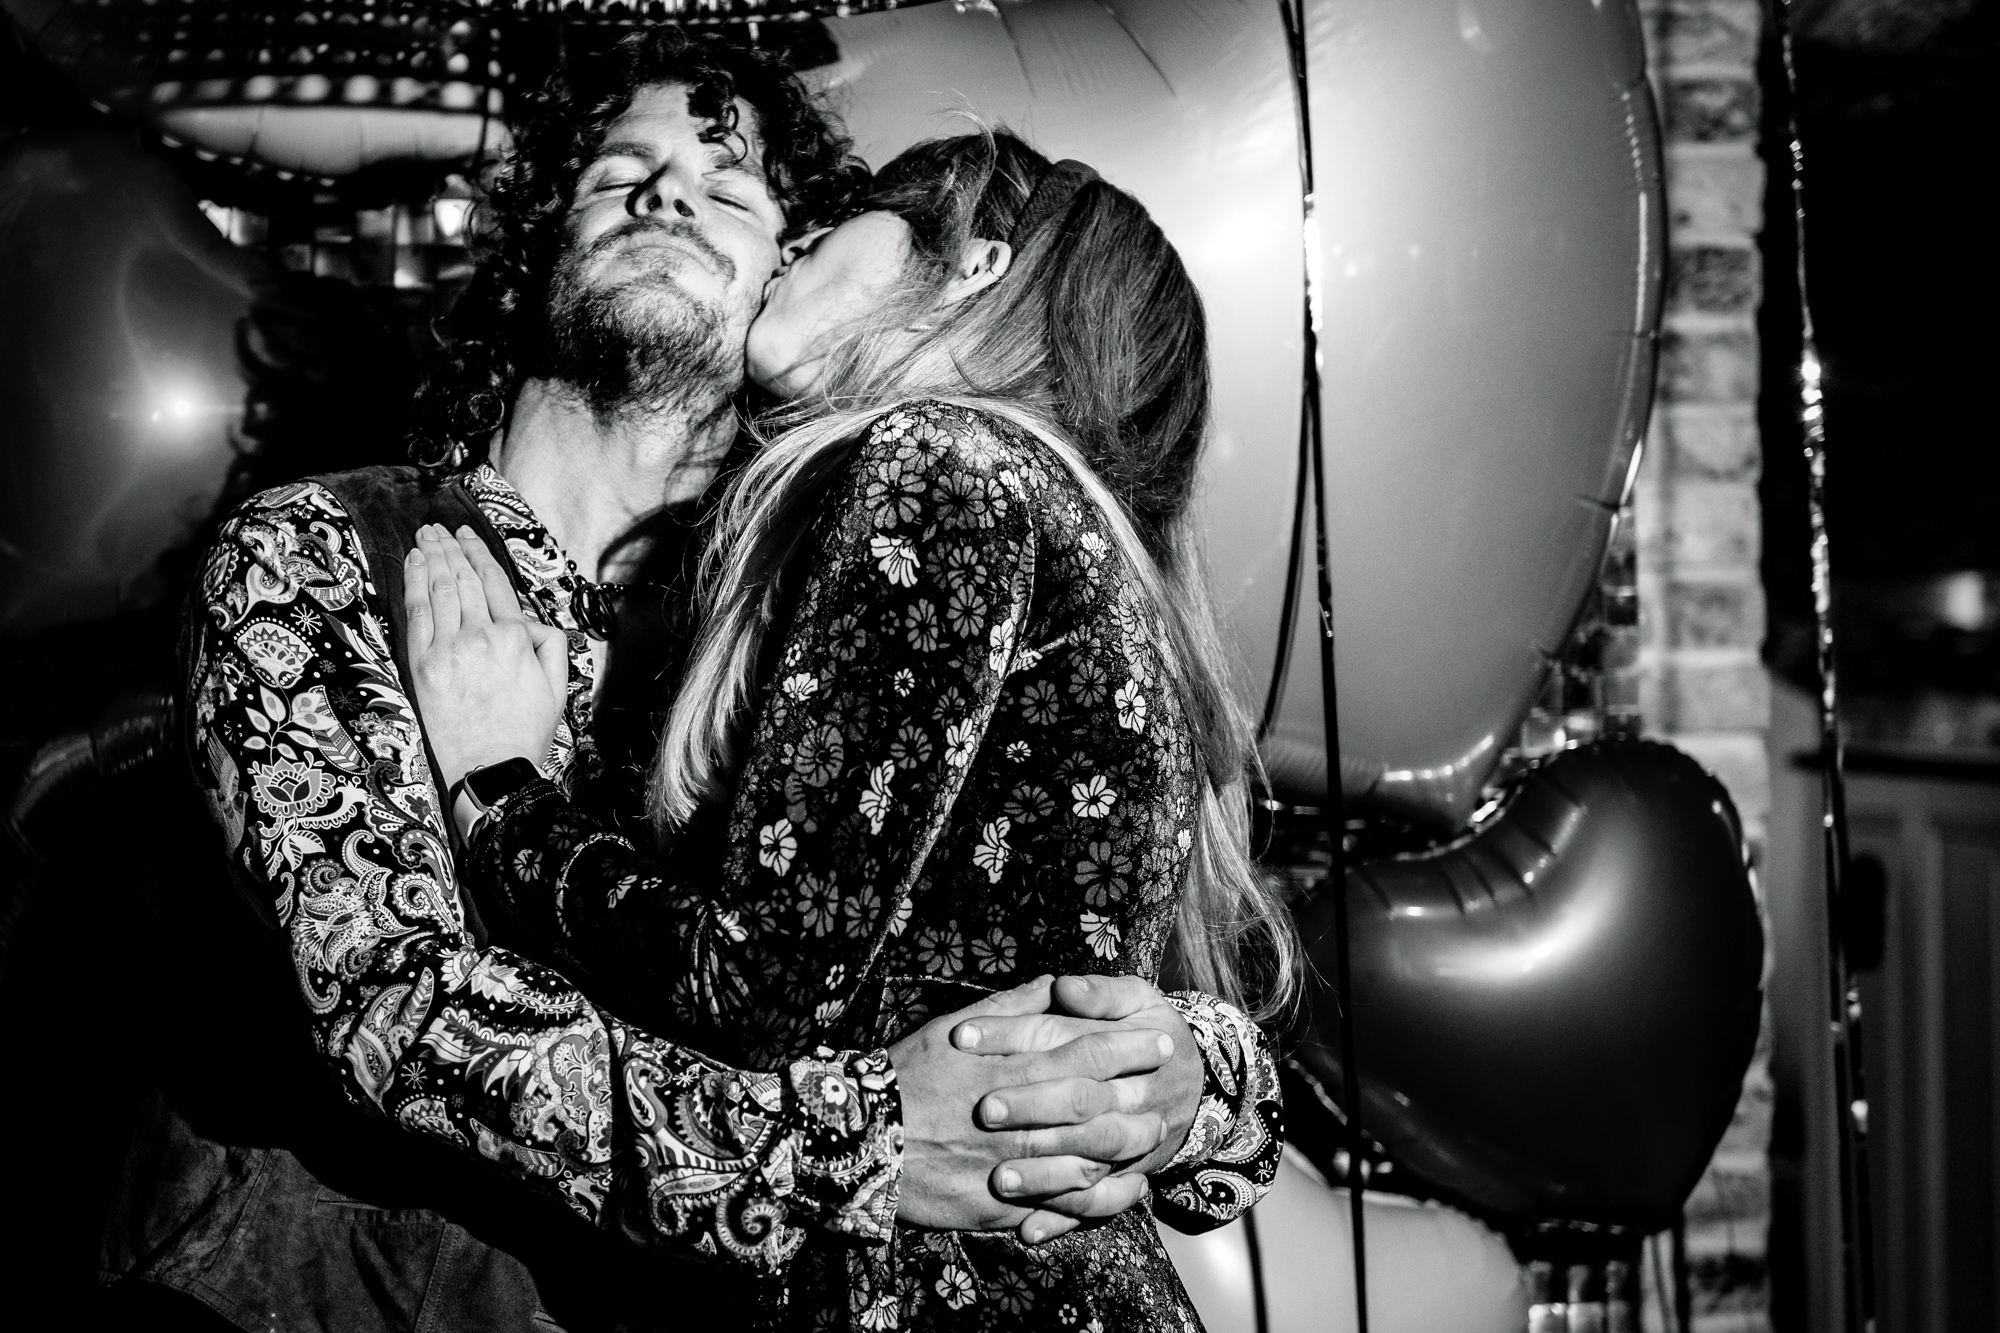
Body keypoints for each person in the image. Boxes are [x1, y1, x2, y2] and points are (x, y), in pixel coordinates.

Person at [149, 28, 1276, 1333]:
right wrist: (850, 1153)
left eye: (731, 188)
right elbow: (394, 1010)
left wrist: (1189, 1075)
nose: (667, 191)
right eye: (618, 169)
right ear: (529, 250)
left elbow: (1134, 1018)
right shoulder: (323, 551)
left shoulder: (818, 609)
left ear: (793, 278)